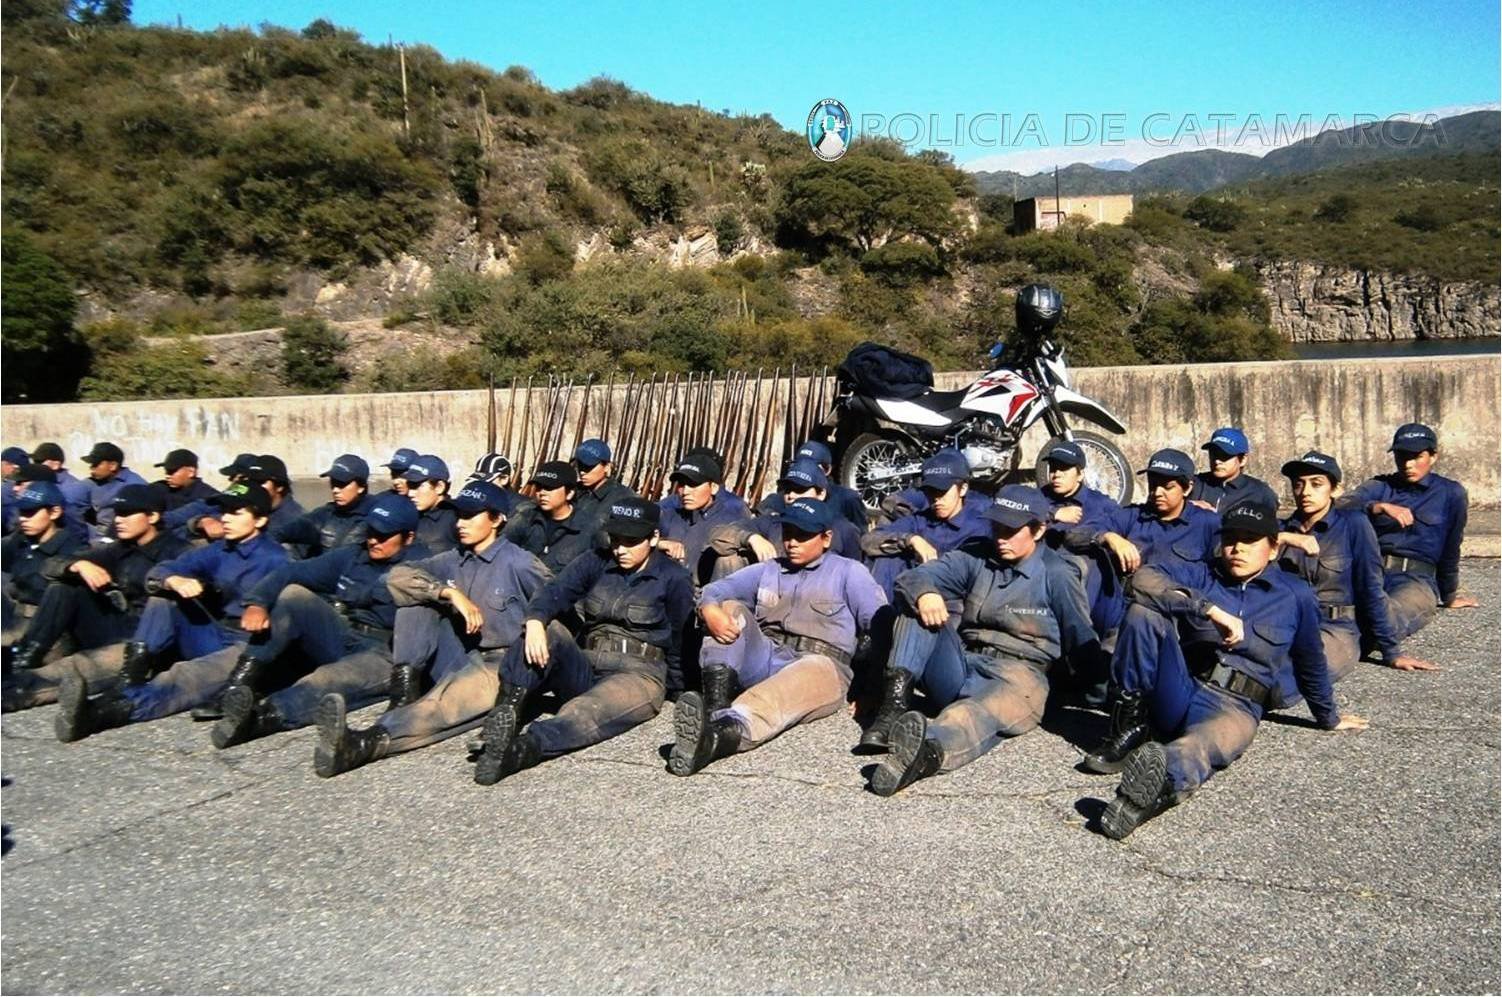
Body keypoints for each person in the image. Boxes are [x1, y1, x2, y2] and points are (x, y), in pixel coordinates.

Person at [1082, 502, 1367, 839]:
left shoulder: (1295, 596)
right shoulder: (1204, 574)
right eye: (1231, 539)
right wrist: (1207, 608)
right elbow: (1143, 580)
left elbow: (1310, 660)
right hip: (1181, 685)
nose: (1238, 548)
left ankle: (1144, 794)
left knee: (1198, 747)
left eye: (1250, 540)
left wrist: (1328, 716)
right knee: (1144, 613)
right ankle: (1128, 729)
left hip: (1235, 705)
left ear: (1274, 548)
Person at [864, 486, 1102, 788]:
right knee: (918, 606)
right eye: (996, 526)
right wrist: (925, 594)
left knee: (971, 714)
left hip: (1019, 678)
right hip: (964, 664)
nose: (1001, 536)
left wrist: (1095, 696)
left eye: (1012, 529)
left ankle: (924, 751)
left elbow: (1081, 638)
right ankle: (892, 711)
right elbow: (913, 578)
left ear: (1038, 530)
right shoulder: (977, 554)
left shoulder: (1057, 574)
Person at [312, 480, 550, 777]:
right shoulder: (454, 559)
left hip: (501, 666)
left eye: (470, 516)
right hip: (463, 655)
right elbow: (396, 576)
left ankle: (361, 744)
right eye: (459, 515)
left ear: (497, 520)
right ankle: (402, 698)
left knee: (441, 707)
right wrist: (448, 593)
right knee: (416, 601)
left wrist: (536, 631)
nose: (460, 523)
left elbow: (557, 602)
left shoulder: (520, 563)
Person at [473, 496, 694, 785]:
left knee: (584, 713)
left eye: (631, 541)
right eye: (615, 539)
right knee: (543, 631)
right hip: (586, 665)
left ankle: (519, 752)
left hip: (638, 675)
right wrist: (537, 620)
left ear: (653, 538)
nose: (621, 549)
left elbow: (680, 636)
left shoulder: (673, 577)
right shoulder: (596, 561)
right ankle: (504, 718)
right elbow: (557, 590)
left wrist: (677, 688)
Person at [668, 498, 887, 776]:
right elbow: (719, 588)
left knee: (784, 689)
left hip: (821, 665)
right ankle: (715, 707)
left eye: (803, 535)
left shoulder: (848, 572)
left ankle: (717, 737)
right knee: (728, 608)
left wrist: (872, 689)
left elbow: (882, 626)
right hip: (768, 654)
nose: (793, 542)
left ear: (826, 538)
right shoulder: (770, 569)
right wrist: (709, 607)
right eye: (788, 533)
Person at [54, 483, 289, 742]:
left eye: (236, 513)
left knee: (182, 678)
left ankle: (98, 714)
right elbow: (162, 570)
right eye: (224, 511)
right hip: (213, 632)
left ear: (260, 520)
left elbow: (289, 616)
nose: (225, 519)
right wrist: (173, 581)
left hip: (246, 645)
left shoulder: (276, 558)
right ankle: (128, 679)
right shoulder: (220, 549)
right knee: (163, 599)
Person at [209, 493, 430, 748]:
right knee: (294, 595)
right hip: (345, 633)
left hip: (385, 652)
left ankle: (258, 719)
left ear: (408, 538)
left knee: (326, 680)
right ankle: (236, 686)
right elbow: (292, 571)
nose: (373, 540)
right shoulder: (354, 554)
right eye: (370, 531)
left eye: (383, 535)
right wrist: (256, 603)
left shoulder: (424, 566)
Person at [3, 485, 189, 712]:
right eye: (117, 513)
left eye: (127, 514)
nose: (118, 520)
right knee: (65, 585)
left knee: (76, 669)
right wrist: (77, 564)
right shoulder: (120, 549)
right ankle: (25, 659)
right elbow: (52, 566)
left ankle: (14, 692)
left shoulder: (180, 552)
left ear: (152, 516)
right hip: (115, 626)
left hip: (147, 644)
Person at [1276, 450, 1433, 679]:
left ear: (1335, 490)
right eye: (1298, 484)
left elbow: (1370, 587)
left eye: (1316, 484)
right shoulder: (1279, 529)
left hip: (1336, 626)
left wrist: (1391, 652)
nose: (1305, 492)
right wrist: (1281, 539)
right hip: (1287, 622)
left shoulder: (1353, 525)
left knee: (1301, 670)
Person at [1337, 422, 1476, 638]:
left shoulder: (1451, 493)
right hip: (1370, 571)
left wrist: (1448, 595)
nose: (1408, 464)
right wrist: (1376, 506)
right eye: (1402, 456)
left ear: (1433, 457)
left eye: (1416, 456)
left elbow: (1451, 547)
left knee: (1388, 620)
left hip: (1416, 579)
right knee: (1325, 609)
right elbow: (1340, 505)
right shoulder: (1380, 487)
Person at [861, 450, 989, 602]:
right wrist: (911, 540)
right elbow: (868, 541)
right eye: (931, 492)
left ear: (963, 489)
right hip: (915, 598)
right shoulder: (919, 521)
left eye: (942, 491)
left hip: (959, 601)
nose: (936, 499)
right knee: (888, 559)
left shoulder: (982, 525)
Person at [2, 482, 87, 646]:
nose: (23, 518)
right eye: (22, 512)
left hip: (47, 632)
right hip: (12, 618)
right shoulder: (21, 540)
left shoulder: (72, 548)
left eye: (30, 513)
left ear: (54, 512)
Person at [658, 453, 755, 583]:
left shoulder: (730, 517)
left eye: (693, 484)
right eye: (681, 484)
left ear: (714, 488)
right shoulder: (671, 515)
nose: (685, 491)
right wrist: (660, 543)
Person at [502, 461, 596, 574]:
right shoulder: (525, 517)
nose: (542, 493)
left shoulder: (587, 529)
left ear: (570, 493)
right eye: (538, 487)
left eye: (549, 487)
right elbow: (500, 551)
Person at [273, 454, 375, 557]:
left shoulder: (376, 516)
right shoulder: (326, 514)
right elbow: (292, 529)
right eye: (333, 483)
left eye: (342, 484)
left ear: (361, 487)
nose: (335, 490)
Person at [1190, 428, 1279, 513]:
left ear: (1243, 459)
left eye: (1225, 455)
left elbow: (1270, 524)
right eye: (1214, 454)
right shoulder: (1194, 484)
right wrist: (1190, 506)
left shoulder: (1260, 493)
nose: (1217, 461)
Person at [77, 442, 149, 542]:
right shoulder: (93, 482)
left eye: (96, 464)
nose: (92, 468)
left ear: (113, 466)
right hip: (94, 535)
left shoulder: (135, 485)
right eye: (91, 464)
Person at [570, 439, 638, 532]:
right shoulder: (573, 491)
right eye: (580, 465)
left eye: (589, 467)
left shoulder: (624, 497)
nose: (582, 472)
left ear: (607, 467)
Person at [402, 454, 459, 551]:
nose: (411, 493)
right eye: (410, 486)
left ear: (439, 487)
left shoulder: (457, 518)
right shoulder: (407, 512)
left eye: (417, 486)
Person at [153, 449, 218, 511]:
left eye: (172, 471)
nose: (167, 476)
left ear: (191, 472)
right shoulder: (160, 488)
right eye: (167, 471)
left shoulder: (209, 497)